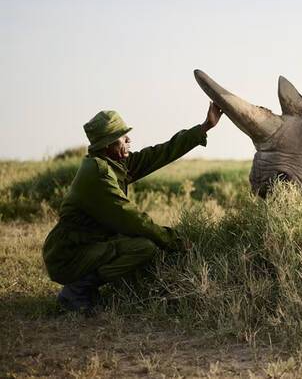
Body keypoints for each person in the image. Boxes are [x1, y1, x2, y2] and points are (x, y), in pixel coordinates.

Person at [42, 103, 224, 314]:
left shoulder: (111, 162)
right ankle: (76, 291)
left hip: (87, 247)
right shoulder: (99, 175)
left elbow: (160, 153)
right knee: (143, 247)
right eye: (122, 136)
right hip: (68, 256)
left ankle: (94, 288)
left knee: (139, 244)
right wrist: (173, 241)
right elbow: (133, 219)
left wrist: (205, 127)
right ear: (107, 143)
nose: (129, 140)